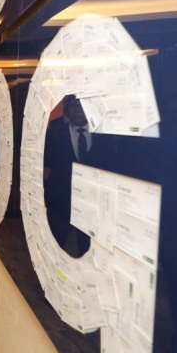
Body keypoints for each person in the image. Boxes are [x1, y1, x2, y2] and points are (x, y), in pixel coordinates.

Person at [44, 94, 115, 257]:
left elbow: (110, 163)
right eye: (73, 106)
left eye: (82, 106)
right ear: (67, 110)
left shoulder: (104, 134)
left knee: (88, 247)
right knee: (56, 245)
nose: (78, 110)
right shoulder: (55, 131)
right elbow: (47, 162)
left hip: (92, 201)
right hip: (61, 201)